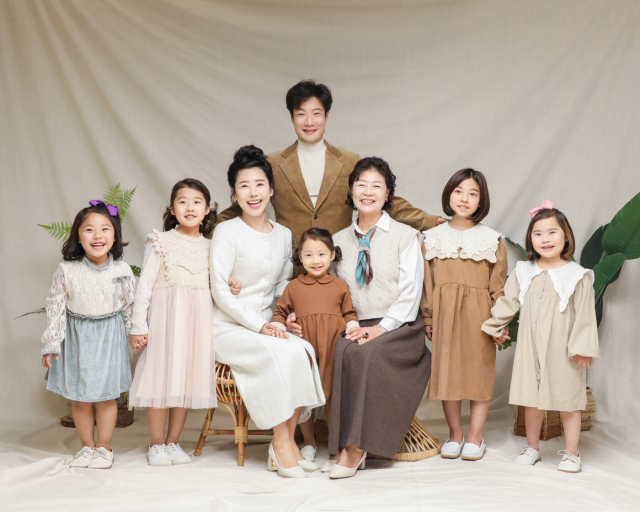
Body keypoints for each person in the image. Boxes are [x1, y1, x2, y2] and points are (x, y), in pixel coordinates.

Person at [217, 79, 445, 455]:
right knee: (304, 343)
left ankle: (334, 428)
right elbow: (242, 202)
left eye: (316, 113)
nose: (309, 121)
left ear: (327, 116)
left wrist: (431, 221)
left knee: (332, 342)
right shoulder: (273, 164)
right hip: (294, 272)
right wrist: (199, 226)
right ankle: (298, 431)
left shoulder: (350, 161)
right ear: (291, 117)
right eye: (301, 114)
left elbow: (389, 199)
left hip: (338, 273)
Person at [210, 145, 325, 479]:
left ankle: (283, 441)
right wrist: (261, 327)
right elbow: (220, 291)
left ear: (271, 190)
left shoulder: (283, 234)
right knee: (277, 354)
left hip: (268, 323)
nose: (253, 193)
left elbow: (282, 286)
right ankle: (282, 442)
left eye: (260, 184)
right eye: (244, 186)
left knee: (304, 351)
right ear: (234, 194)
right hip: (229, 327)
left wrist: (287, 315)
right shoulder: (226, 231)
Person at [327, 157, 431, 479]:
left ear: (388, 194)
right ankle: (339, 443)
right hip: (356, 323)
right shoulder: (338, 241)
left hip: (400, 325)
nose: (368, 191)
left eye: (377, 186)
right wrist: (352, 325)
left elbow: (411, 293)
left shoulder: (405, 236)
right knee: (340, 350)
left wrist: (381, 328)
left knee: (365, 354)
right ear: (352, 191)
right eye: (361, 184)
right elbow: (334, 291)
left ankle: (356, 447)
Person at [482, 201, 599, 473]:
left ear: (566, 236)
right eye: (538, 233)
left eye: (552, 232)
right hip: (530, 347)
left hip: (563, 348)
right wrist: (495, 327)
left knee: (569, 400)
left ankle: (571, 453)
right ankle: (532, 447)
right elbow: (508, 302)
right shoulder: (524, 271)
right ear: (530, 239)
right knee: (531, 400)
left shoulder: (577, 275)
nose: (545, 239)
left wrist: (582, 348)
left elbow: (585, 315)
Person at [128, 178, 219, 466]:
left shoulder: (213, 247)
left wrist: (233, 284)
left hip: (196, 324)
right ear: (171, 208)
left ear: (207, 209)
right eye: (182, 201)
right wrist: (138, 325)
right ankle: (157, 443)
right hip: (164, 322)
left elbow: (218, 287)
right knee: (159, 379)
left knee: (185, 380)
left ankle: (173, 441)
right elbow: (144, 285)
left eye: (197, 202)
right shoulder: (161, 241)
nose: (190, 207)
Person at [41, 201, 135, 469]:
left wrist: (135, 333)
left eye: (105, 229)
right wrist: (51, 343)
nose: (97, 236)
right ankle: (86, 447)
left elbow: (130, 307)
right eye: (89, 229)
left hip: (109, 338)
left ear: (114, 236)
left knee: (106, 397)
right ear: (78, 236)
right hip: (77, 339)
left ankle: (104, 447)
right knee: (80, 398)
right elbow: (55, 308)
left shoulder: (122, 271)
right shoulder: (67, 270)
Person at [421, 168, 507, 461]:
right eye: (458, 191)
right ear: (448, 194)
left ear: (482, 200)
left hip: (480, 316)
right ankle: (455, 434)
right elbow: (426, 282)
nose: (464, 198)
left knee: (479, 373)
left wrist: (499, 322)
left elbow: (498, 287)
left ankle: (475, 436)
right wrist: (429, 317)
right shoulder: (431, 237)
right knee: (447, 373)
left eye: (473, 193)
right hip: (444, 314)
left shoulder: (492, 239)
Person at [270, 228, 359, 461]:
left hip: (333, 349)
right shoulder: (293, 287)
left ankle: (335, 446)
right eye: (308, 255)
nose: (315, 260)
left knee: (332, 396)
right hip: (306, 349)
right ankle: (308, 442)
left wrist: (352, 327)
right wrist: (279, 326)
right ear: (300, 257)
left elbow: (349, 313)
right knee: (304, 394)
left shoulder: (340, 285)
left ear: (332, 255)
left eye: (321, 254)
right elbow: (280, 312)